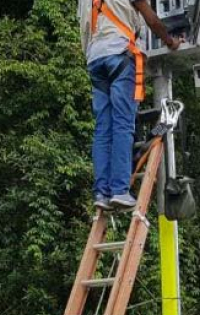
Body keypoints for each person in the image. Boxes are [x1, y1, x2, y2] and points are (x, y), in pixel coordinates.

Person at [78, 0, 180, 211]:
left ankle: (101, 193)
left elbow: (84, 30)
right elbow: (151, 18)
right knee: (123, 125)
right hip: (120, 55)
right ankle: (119, 190)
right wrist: (171, 41)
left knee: (102, 129)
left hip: (95, 59)